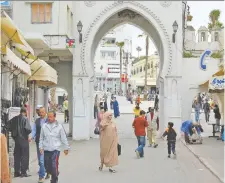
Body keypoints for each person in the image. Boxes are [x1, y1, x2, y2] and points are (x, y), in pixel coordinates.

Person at [39, 111, 70, 183]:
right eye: (48, 117)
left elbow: (63, 138)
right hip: (46, 149)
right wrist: (40, 147)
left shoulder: (59, 126)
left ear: (54, 117)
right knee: (47, 166)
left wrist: (66, 148)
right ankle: (55, 172)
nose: (49, 118)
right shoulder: (44, 126)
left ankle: (54, 180)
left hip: (56, 149)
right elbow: (41, 138)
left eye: (51, 117)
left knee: (53, 165)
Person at [7, 107, 32, 177]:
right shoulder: (25, 119)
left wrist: (14, 133)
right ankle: (23, 172)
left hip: (16, 140)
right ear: (25, 112)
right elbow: (28, 129)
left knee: (17, 156)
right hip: (24, 139)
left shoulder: (14, 118)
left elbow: (8, 126)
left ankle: (16, 172)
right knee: (25, 156)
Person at [32, 107, 49, 182]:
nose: (41, 114)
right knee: (40, 160)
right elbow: (34, 130)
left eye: (42, 112)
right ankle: (47, 171)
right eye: (40, 112)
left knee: (42, 160)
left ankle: (41, 177)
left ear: (45, 113)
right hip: (38, 142)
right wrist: (31, 137)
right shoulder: (37, 121)